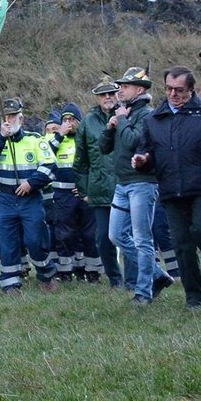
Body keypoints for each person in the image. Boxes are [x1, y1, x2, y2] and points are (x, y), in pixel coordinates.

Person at [131, 67, 201, 309]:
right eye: (168, 89)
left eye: (179, 90)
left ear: (192, 89)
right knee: (181, 243)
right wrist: (142, 161)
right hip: (171, 190)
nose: (173, 94)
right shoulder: (154, 118)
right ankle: (194, 297)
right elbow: (146, 152)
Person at [101, 67, 174, 304]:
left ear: (139, 90)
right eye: (120, 86)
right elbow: (104, 148)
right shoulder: (124, 113)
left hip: (142, 184)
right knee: (116, 236)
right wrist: (111, 127)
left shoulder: (147, 115)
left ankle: (144, 292)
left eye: (125, 86)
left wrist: (121, 120)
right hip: (122, 184)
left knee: (142, 239)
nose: (119, 90)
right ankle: (157, 275)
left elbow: (134, 142)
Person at [0, 98, 56, 295]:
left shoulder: (35, 140)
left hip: (30, 199)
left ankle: (46, 273)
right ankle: (10, 283)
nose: (10, 119)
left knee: (34, 240)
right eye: (6, 116)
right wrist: (0, 138)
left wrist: (31, 183)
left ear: (21, 119)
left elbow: (50, 166)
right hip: (5, 199)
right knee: (7, 242)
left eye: (13, 116)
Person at [74, 80, 123, 286]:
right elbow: (80, 159)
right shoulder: (88, 121)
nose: (108, 97)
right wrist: (85, 190)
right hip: (99, 187)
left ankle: (135, 278)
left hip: (125, 185)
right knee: (103, 238)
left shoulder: (126, 115)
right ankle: (114, 278)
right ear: (97, 98)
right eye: (103, 95)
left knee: (127, 236)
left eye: (111, 93)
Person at [45, 103, 89, 282]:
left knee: (87, 233)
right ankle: (65, 272)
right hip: (62, 195)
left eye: (72, 119)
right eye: (65, 120)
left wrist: (85, 186)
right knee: (64, 234)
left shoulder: (85, 138)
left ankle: (89, 271)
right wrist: (60, 134)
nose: (69, 123)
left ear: (79, 121)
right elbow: (46, 154)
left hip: (83, 194)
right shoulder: (56, 139)